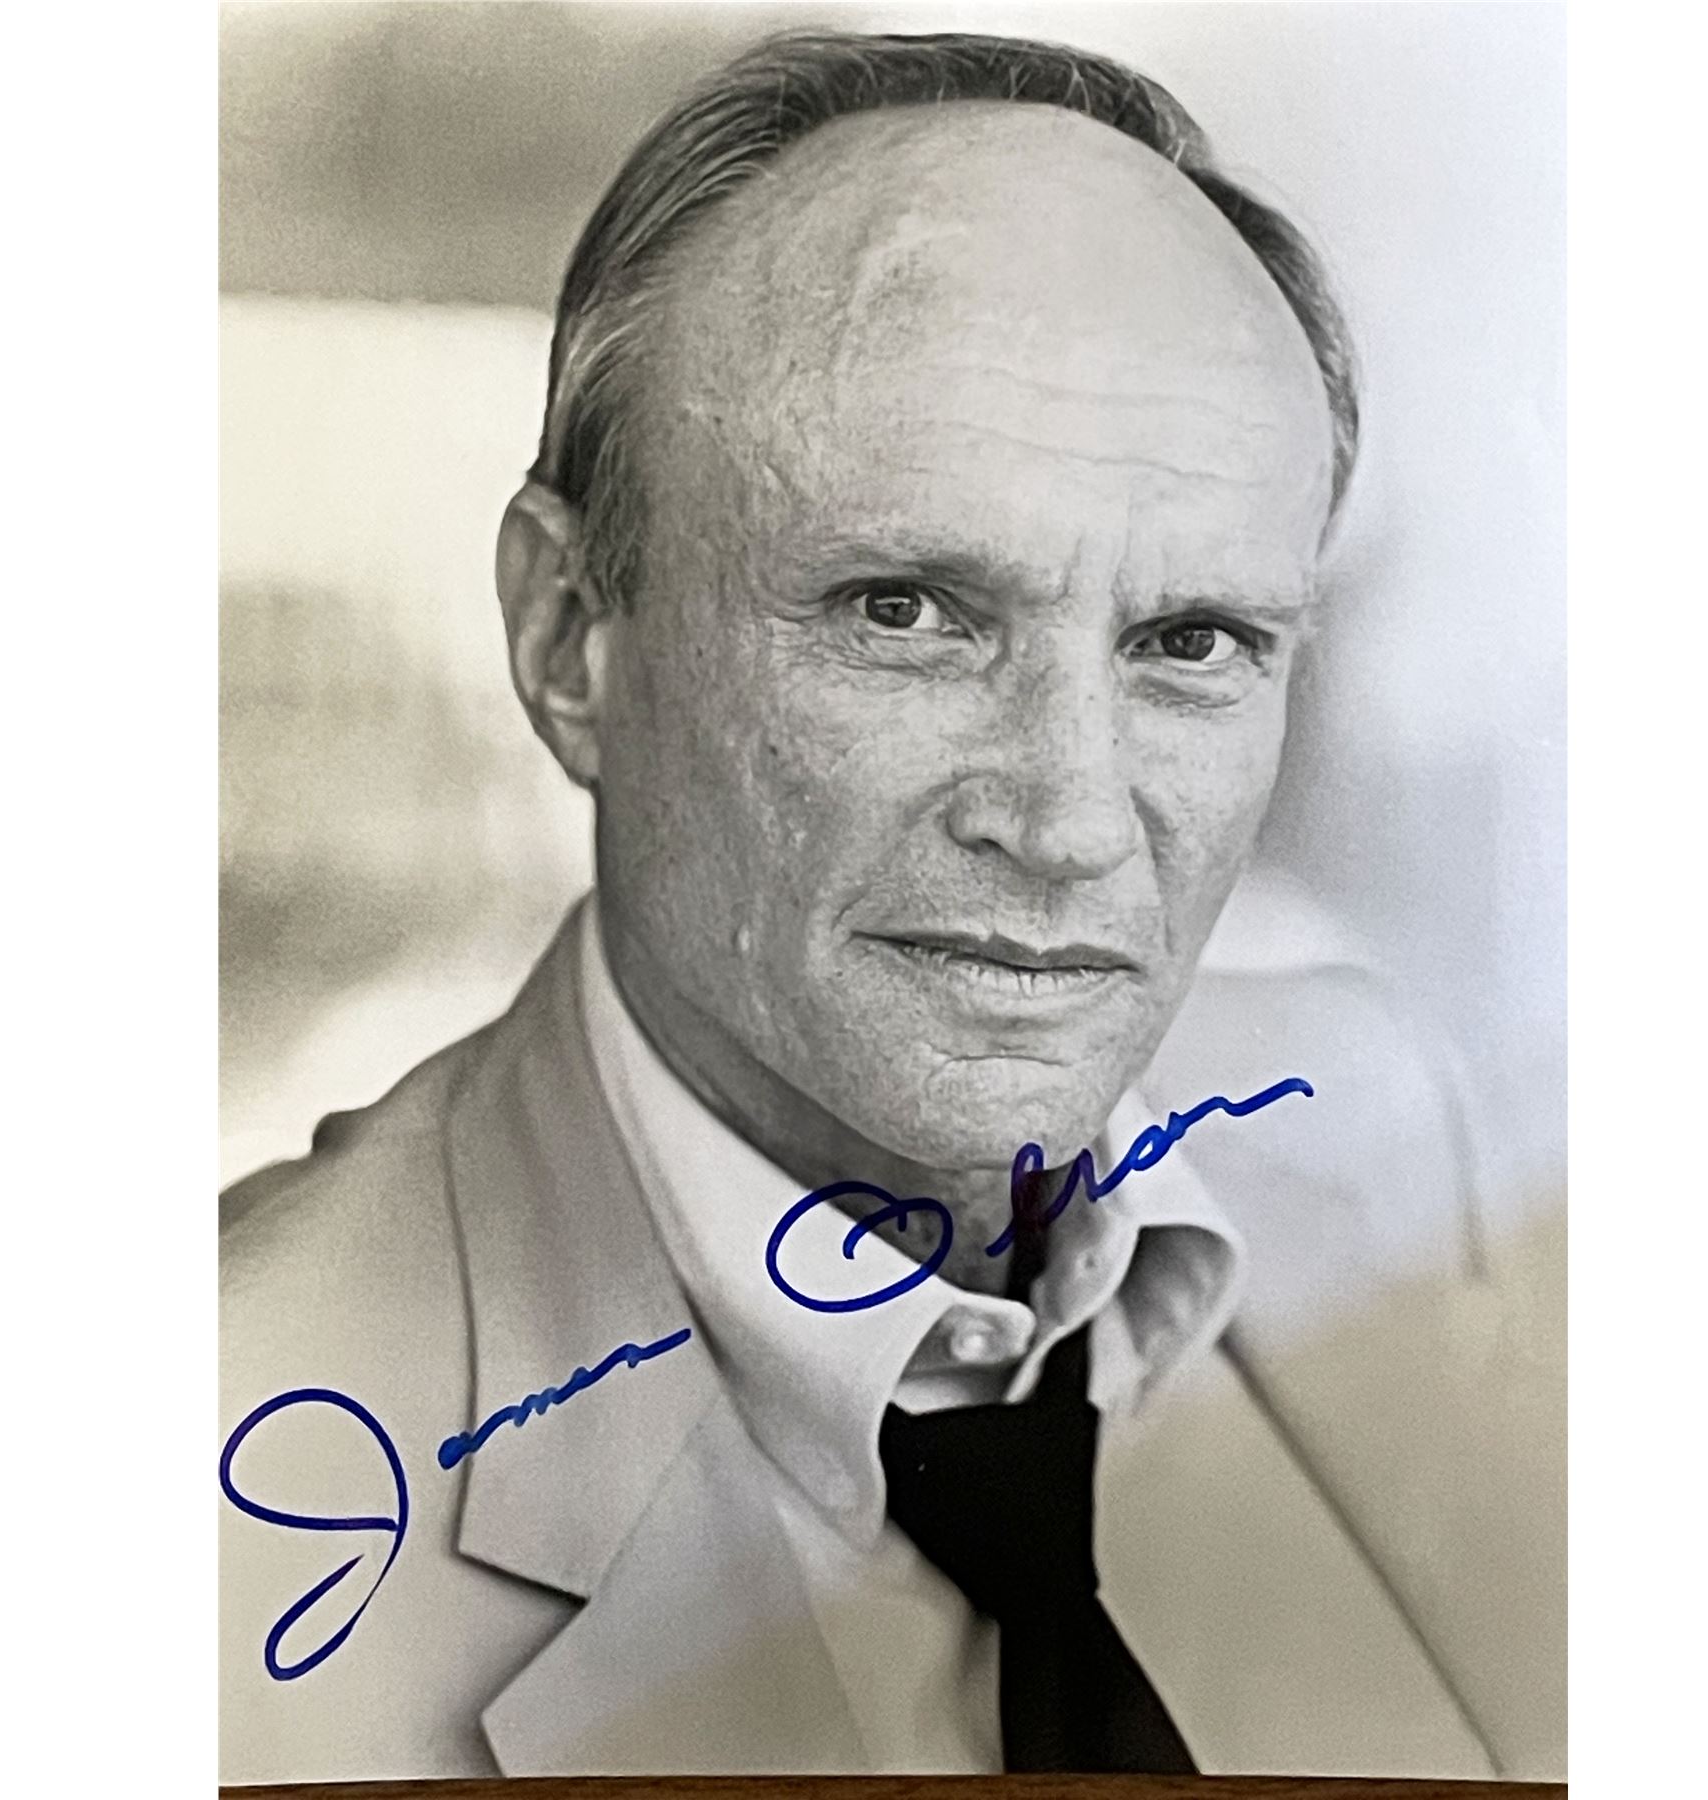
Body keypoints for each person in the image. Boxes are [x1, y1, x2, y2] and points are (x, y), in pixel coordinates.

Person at [219, 29, 1563, 1784]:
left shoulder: (1391, 1136)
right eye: (906, 612)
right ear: (567, 636)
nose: (1069, 823)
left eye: (1192, 642)